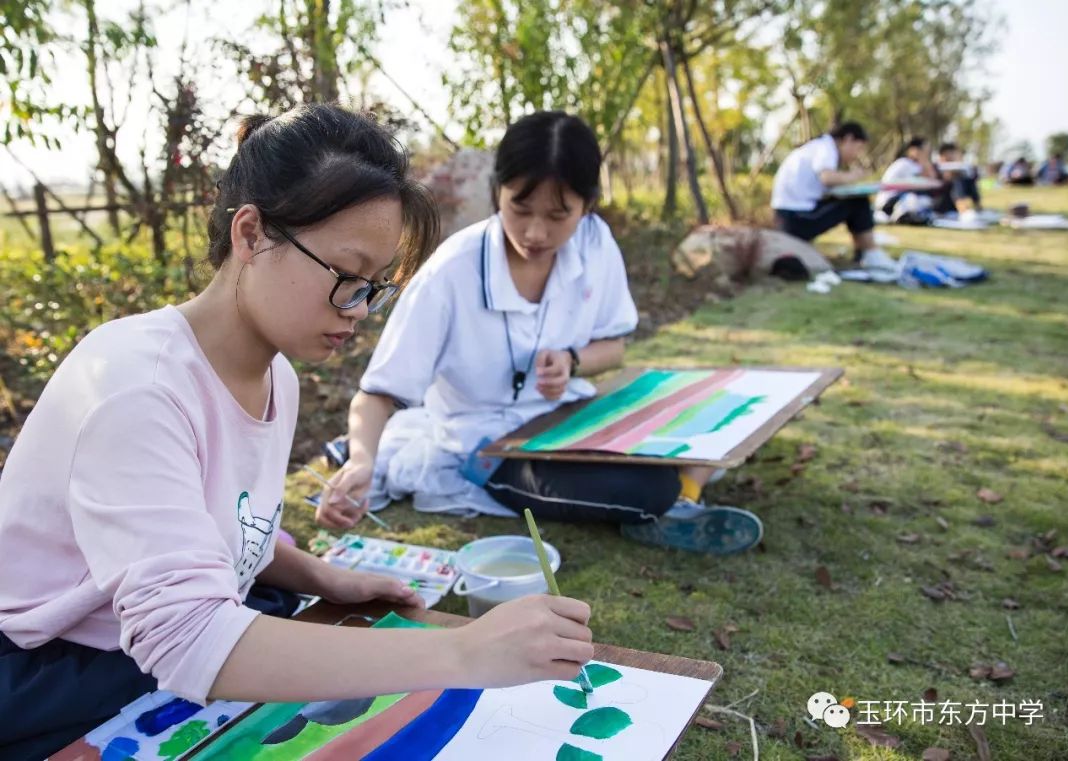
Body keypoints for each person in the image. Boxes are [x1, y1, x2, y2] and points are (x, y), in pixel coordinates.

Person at [0, 104, 594, 761]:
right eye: (346, 277)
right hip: (50, 666)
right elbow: (186, 637)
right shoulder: (135, 384)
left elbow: (220, 526)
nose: (359, 312)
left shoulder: (275, 375)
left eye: (374, 288)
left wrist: (322, 575)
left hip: (142, 633)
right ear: (251, 234)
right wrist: (465, 651)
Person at [317, 111, 763, 557]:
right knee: (646, 487)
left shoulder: (594, 242)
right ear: (497, 194)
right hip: (489, 447)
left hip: (571, 422)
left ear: (587, 206)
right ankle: (678, 497)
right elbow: (378, 391)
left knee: (717, 418)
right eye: (520, 208)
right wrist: (362, 461)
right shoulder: (452, 272)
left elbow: (615, 348)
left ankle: (680, 493)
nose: (535, 232)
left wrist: (572, 361)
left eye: (558, 214)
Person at [771, 122, 899, 276]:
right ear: (848, 139)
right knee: (857, 201)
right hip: (795, 218)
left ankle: (863, 253)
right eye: (858, 148)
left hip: (788, 215)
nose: (857, 154)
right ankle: (871, 253)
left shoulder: (818, 146)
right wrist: (853, 176)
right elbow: (827, 178)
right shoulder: (827, 148)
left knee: (852, 202)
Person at [875, 137, 936, 224]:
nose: (926, 154)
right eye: (924, 150)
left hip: (897, 199)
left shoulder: (912, 164)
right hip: (888, 202)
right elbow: (929, 178)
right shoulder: (904, 163)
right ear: (913, 150)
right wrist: (924, 161)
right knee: (913, 199)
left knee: (925, 201)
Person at [933, 142, 982, 215]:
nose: (951, 156)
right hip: (941, 199)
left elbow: (974, 177)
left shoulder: (959, 166)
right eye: (949, 154)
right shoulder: (936, 166)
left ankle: (978, 208)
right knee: (956, 182)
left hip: (954, 197)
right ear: (942, 155)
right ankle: (963, 210)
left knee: (968, 181)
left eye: (953, 154)